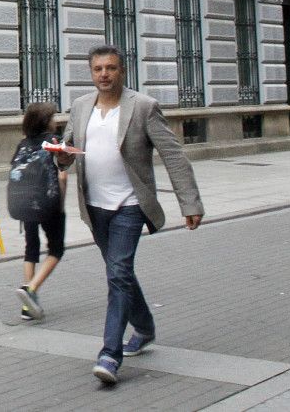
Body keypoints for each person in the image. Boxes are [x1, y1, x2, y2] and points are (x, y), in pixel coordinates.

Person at [57, 45, 204, 386]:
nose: (104, 74)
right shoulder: (80, 107)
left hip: (130, 204)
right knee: (118, 272)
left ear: (122, 71)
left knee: (118, 272)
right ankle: (146, 327)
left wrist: (190, 203)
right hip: (94, 205)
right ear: (91, 73)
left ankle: (109, 354)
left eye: (110, 68)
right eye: (97, 69)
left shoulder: (143, 107)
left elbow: (174, 155)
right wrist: (60, 157)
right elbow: (68, 149)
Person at [11, 102, 69, 322]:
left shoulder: (23, 144)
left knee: (31, 247)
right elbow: (62, 175)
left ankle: (28, 306)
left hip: (24, 203)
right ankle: (32, 289)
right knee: (56, 249)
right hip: (48, 202)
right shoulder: (54, 143)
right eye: (53, 118)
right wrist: (61, 203)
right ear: (46, 122)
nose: (56, 121)